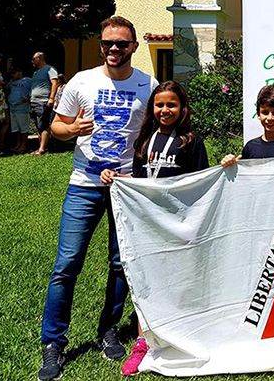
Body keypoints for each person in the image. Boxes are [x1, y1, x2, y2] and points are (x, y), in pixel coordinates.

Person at [38, 16, 159, 381]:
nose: (114, 49)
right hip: (84, 183)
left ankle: (109, 330)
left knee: (121, 264)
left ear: (133, 46)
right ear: (101, 45)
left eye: (121, 43)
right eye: (108, 43)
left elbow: (158, 130)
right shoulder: (82, 81)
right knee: (66, 264)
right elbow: (56, 126)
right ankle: (53, 343)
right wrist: (72, 129)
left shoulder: (148, 85)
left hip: (126, 188)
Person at [100, 80, 209, 376]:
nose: (165, 110)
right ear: (152, 108)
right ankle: (143, 340)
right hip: (149, 223)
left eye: (171, 104)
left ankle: (185, 331)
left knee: (180, 279)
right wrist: (115, 177)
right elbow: (140, 178)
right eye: (159, 105)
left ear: (182, 108)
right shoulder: (145, 140)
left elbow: (202, 182)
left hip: (179, 223)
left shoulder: (191, 141)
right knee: (147, 279)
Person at [221, 84, 274, 167]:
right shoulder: (250, 147)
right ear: (258, 114)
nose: (270, 118)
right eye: (265, 112)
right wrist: (230, 164)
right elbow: (243, 175)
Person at [30, 51, 59, 155]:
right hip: (34, 102)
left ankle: (42, 149)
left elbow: (55, 83)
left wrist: (51, 98)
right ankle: (40, 147)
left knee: (44, 124)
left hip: (43, 101)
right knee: (38, 125)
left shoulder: (49, 69)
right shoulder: (36, 72)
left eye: (34, 59)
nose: (32, 61)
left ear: (40, 58)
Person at [6, 67, 32, 153]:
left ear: (20, 72)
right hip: (13, 108)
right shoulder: (11, 82)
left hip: (22, 108)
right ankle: (18, 144)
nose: (13, 75)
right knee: (16, 128)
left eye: (14, 73)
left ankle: (23, 145)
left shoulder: (27, 80)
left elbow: (33, 89)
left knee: (23, 128)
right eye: (12, 74)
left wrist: (28, 98)